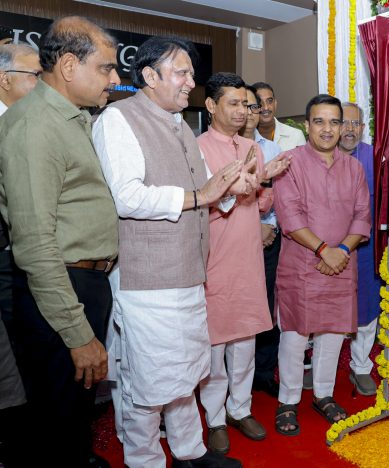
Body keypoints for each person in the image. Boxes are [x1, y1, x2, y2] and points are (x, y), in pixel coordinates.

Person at [93, 37, 252, 468]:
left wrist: (232, 187)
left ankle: (190, 451)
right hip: (146, 277)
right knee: (151, 377)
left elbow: (206, 191)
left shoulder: (180, 123)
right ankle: (144, 459)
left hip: (188, 271)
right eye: (181, 73)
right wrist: (204, 194)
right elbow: (127, 197)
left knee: (187, 370)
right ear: (149, 75)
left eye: (191, 74)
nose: (190, 83)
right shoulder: (118, 119)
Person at [0, 17, 120, 467]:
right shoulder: (36, 126)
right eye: (106, 68)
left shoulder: (70, 118)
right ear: (69, 66)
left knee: (73, 412)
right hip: (59, 290)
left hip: (81, 283)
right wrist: (76, 332)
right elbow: (34, 244)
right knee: (55, 419)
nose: (114, 78)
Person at [197, 72, 290, 453]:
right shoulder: (197, 148)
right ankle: (215, 417)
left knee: (246, 340)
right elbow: (204, 204)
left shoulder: (251, 147)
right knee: (215, 345)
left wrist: (263, 180)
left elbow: (262, 205)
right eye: (233, 103)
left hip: (249, 257)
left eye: (245, 104)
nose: (242, 111)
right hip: (214, 260)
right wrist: (243, 184)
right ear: (211, 105)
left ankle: (240, 408)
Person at [273, 94, 371, 436]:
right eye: (319, 121)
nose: (327, 129)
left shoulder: (354, 168)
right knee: (295, 336)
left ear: (342, 127)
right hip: (303, 265)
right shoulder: (289, 162)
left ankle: (323, 394)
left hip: (341, 263)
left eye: (334, 122)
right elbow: (289, 216)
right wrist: (324, 250)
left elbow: (362, 216)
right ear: (306, 125)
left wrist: (341, 250)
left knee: (333, 334)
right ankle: (287, 400)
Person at [0, 41, 40, 468]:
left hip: (25, 259)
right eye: (34, 76)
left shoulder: (29, 124)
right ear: (4, 79)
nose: (41, 84)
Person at [239, 85, 284, 397]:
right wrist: (255, 226)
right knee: (238, 308)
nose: (252, 112)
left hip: (269, 240)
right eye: (246, 106)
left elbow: (282, 195)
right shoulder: (225, 146)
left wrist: (270, 227)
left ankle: (264, 372)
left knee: (267, 306)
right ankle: (233, 377)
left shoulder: (271, 149)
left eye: (255, 107)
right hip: (235, 242)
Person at [338, 102, 380, 396]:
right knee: (323, 306)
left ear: (363, 128)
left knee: (366, 306)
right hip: (326, 247)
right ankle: (319, 366)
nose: (350, 129)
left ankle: (361, 366)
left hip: (365, 248)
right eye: (344, 123)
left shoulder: (374, 158)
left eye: (356, 124)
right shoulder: (322, 156)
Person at [252, 81, 305, 151]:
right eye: (259, 103)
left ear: (275, 103)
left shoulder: (296, 136)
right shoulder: (245, 136)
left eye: (269, 101)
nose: (266, 107)